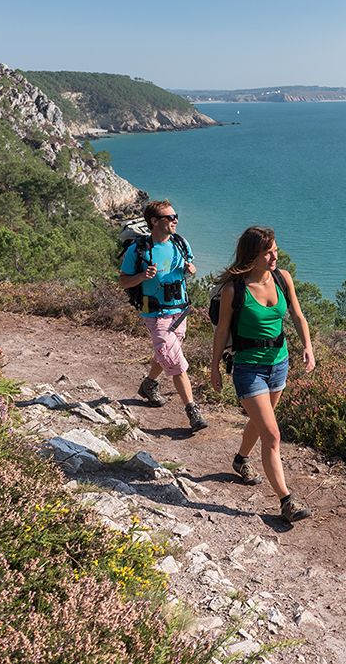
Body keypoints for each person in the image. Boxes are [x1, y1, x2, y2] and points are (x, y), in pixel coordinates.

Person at [210, 226, 315, 523]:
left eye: (275, 250)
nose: (274, 256)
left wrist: (307, 347)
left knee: (259, 424)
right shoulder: (235, 290)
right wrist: (215, 367)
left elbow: (297, 315)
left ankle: (241, 460)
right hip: (248, 369)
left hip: (279, 364)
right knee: (272, 434)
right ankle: (287, 501)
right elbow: (221, 332)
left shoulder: (283, 278)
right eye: (267, 252)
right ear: (251, 255)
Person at [118, 199, 208, 432]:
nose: (175, 220)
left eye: (175, 216)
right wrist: (142, 277)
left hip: (180, 310)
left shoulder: (180, 243)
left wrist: (191, 270)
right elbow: (123, 281)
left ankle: (149, 384)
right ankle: (192, 410)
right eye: (170, 217)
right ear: (155, 221)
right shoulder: (138, 250)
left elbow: (189, 266)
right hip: (155, 313)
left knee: (166, 352)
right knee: (176, 362)